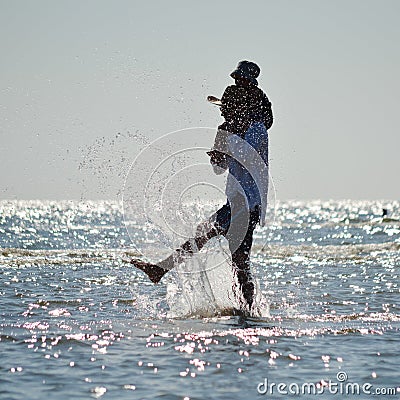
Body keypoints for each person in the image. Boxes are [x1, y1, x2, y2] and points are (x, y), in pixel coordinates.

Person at [131, 61, 273, 310]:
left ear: (242, 106)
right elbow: (219, 169)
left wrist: (225, 142)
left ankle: (248, 312)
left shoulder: (257, 129)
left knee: (236, 259)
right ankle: (160, 270)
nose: (223, 112)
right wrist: (219, 151)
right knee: (210, 238)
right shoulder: (230, 129)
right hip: (235, 202)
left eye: (228, 107)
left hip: (248, 204)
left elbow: (247, 156)